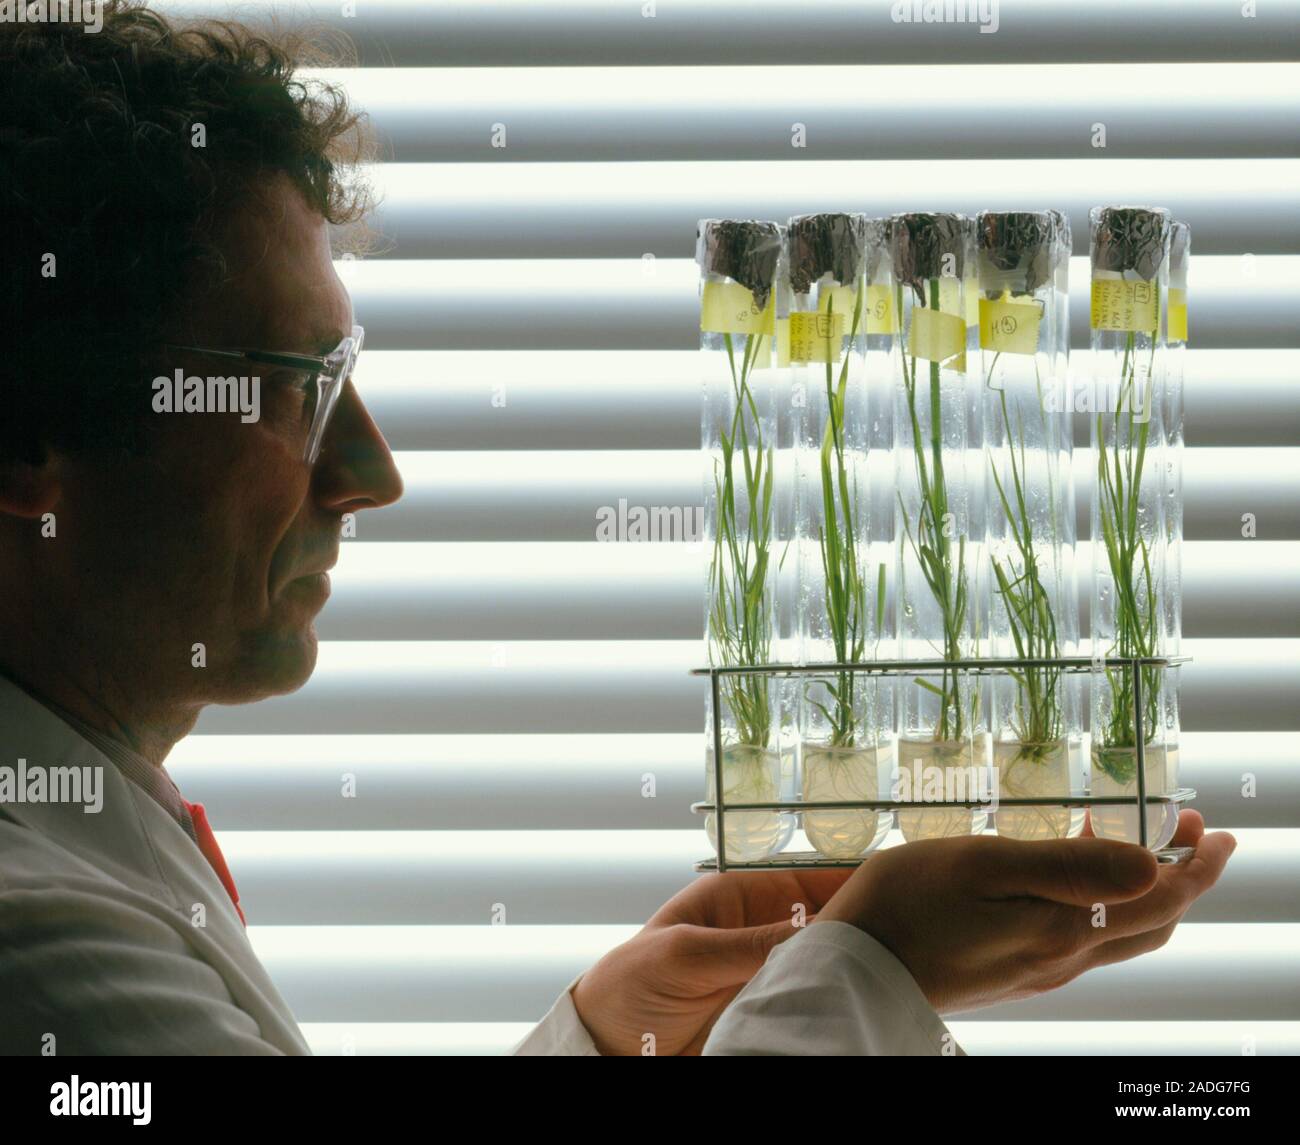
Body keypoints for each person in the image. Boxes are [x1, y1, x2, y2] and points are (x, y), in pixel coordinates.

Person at [0, 2, 1235, 1057]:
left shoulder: (93, 833)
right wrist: (864, 969)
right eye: (293, 386)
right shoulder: (39, 945)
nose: (371, 475)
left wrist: (599, 1034)